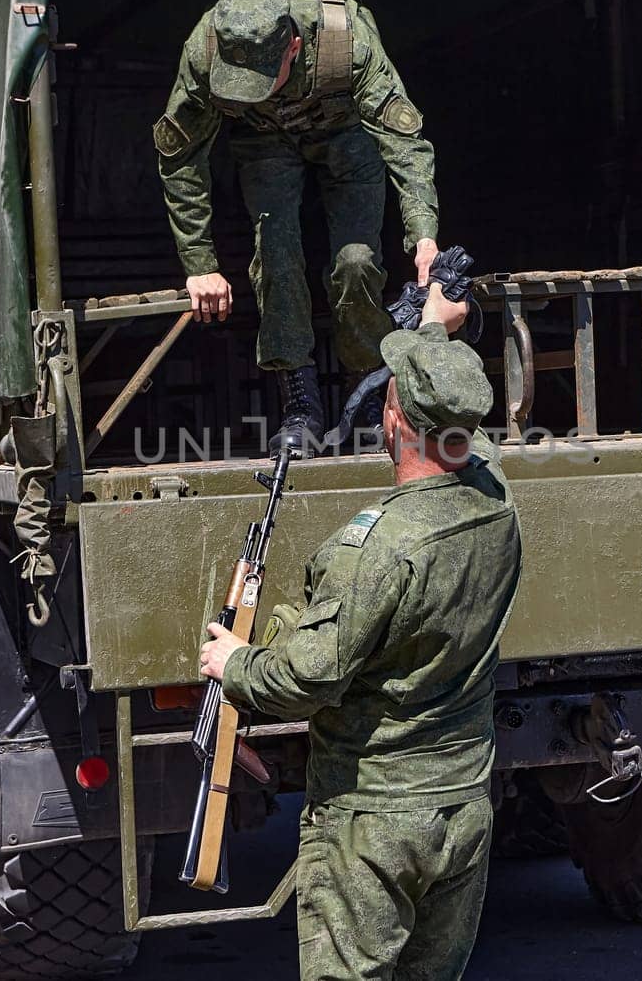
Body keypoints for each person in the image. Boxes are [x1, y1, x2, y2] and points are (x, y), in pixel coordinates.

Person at [199, 287, 521, 981]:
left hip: (371, 822)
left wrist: (236, 664)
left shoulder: (374, 549)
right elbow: (475, 441)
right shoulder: (498, 507)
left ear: (393, 419)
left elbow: (311, 678)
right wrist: (434, 333)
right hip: (462, 807)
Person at [155, 0, 440, 450]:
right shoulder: (204, 52)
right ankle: (300, 403)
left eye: (262, 79)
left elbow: (404, 141)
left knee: (356, 261)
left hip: (347, 135)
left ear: (291, 46)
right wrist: (199, 265)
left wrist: (424, 232)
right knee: (276, 250)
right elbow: (180, 156)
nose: (255, 89)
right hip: (263, 140)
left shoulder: (347, 42)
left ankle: (368, 393)